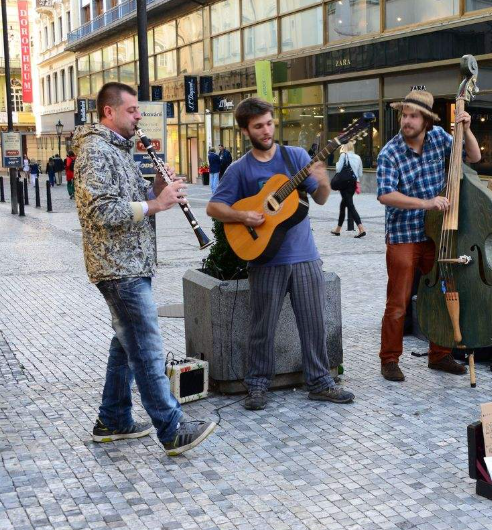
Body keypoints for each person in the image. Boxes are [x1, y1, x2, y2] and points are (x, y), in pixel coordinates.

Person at [74, 82, 217, 456]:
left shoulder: (119, 150)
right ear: (110, 111)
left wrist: (157, 188)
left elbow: (135, 200)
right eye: (133, 110)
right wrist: (156, 206)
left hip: (132, 262)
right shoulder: (94, 151)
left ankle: (114, 419)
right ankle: (171, 430)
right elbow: (100, 211)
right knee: (147, 350)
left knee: (126, 345)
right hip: (117, 267)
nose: (139, 116)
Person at [206, 97, 355, 411]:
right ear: (247, 130)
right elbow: (214, 206)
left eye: (269, 123)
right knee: (262, 327)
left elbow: (322, 197)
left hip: (304, 255)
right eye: (258, 125)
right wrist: (245, 217)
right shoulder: (240, 168)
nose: (266, 130)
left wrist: (324, 178)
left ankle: (320, 382)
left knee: (314, 323)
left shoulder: (295, 157)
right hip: (265, 259)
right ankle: (258, 386)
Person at [376, 89, 482, 382]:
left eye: (413, 116)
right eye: (404, 115)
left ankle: (439, 355)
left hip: (437, 234)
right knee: (397, 302)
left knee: (441, 294)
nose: (407, 121)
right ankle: (389, 360)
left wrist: (466, 129)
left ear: (426, 121)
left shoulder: (439, 140)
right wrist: (426, 203)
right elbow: (385, 195)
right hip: (403, 235)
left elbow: (474, 156)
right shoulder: (390, 152)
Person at [331, 141, 366, 238]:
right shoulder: (358, 157)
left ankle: (361, 228)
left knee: (350, 205)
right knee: (343, 205)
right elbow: (360, 173)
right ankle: (337, 230)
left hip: (344, 184)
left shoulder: (343, 155)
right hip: (353, 184)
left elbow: (338, 169)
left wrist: (339, 160)